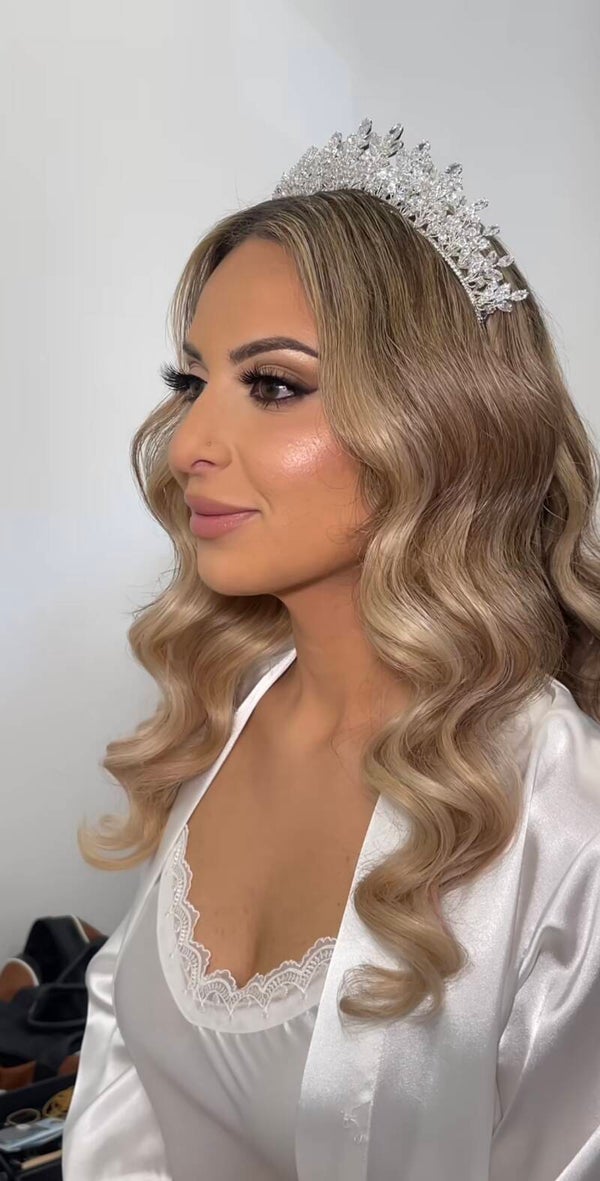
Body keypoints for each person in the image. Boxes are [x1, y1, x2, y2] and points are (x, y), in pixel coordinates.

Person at [62, 120, 600, 1179]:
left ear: (439, 421)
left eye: (272, 385)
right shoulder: (231, 712)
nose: (186, 445)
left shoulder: (562, 823)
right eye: (191, 381)